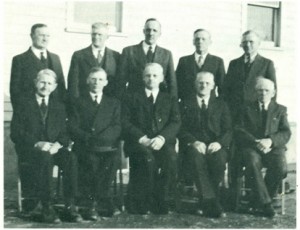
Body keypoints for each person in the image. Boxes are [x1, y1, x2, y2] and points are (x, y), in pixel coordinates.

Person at [10, 69, 82, 223]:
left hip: (53, 148)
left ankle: (70, 205)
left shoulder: (59, 106)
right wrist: (37, 143)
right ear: (36, 83)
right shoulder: (23, 104)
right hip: (31, 149)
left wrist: (58, 144)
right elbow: (16, 133)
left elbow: (64, 132)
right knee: (44, 158)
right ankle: (46, 206)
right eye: (42, 82)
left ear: (55, 86)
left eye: (49, 83)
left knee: (71, 158)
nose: (45, 86)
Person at [122, 63, 181, 214]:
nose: (151, 79)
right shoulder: (131, 97)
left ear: (161, 78)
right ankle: (142, 201)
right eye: (148, 75)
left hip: (162, 142)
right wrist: (141, 138)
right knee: (146, 158)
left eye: (155, 76)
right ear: (143, 77)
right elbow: (125, 121)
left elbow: (175, 122)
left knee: (171, 158)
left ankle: (162, 199)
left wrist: (161, 138)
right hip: (138, 142)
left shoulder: (169, 98)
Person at [68, 67, 121, 220]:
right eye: (93, 79)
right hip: (85, 146)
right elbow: (72, 126)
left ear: (105, 82)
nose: (96, 82)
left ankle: (94, 201)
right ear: (87, 81)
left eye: (100, 79)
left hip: (106, 146)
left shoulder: (113, 103)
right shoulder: (78, 102)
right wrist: (88, 138)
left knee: (112, 159)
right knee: (91, 160)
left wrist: (102, 139)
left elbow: (116, 126)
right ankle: (99, 202)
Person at [235, 78, 291, 217]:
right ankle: (266, 204)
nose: (263, 93)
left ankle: (257, 201)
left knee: (281, 168)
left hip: (273, 148)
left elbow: (285, 132)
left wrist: (270, 141)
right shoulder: (246, 108)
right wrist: (257, 142)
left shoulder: (280, 109)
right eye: (260, 90)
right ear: (256, 92)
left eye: (267, 90)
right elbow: (239, 129)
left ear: (273, 93)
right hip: (252, 147)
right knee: (252, 162)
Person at [178, 72, 232, 218]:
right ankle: (213, 203)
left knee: (220, 160)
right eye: (200, 83)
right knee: (196, 160)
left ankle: (204, 201)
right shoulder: (185, 103)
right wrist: (193, 142)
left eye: (207, 83)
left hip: (216, 146)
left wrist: (219, 143)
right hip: (193, 146)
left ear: (213, 86)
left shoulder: (221, 104)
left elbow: (228, 129)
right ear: (195, 84)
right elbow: (180, 128)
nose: (204, 86)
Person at [223, 30, 276, 122]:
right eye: (244, 42)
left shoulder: (267, 64)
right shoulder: (234, 64)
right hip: (235, 112)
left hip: (256, 112)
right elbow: (227, 89)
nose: (247, 45)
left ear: (258, 43)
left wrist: (270, 112)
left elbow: (273, 90)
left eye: (251, 42)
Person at [10, 23, 66, 110]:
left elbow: (61, 87)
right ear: (32, 36)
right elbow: (15, 91)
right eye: (41, 35)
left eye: (47, 36)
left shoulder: (55, 58)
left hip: (53, 113)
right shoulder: (20, 60)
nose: (45, 39)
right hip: (28, 113)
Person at [117, 18, 177, 99]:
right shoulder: (128, 51)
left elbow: (172, 83)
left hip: (158, 101)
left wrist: (173, 104)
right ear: (143, 31)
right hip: (134, 100)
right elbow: (120, 81)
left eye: (154, 30)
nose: (151, 33)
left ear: (160, 33)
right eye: (148, 30)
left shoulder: (166, 54)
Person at [67, 22, 120, 99]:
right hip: (84, 102)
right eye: (94, 34)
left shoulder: (116, 56)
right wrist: (76, 103)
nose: (96, 37)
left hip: (108, 103)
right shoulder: (79, 55)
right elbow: (73, 83)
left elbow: (118, 83)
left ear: (107, 37)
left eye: (99, 34)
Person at [176, 29, 225, 101]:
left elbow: (222, 88)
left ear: (210, 42)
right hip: (188, 104)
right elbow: (178, 85)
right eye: (197, 39)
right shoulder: (184, 61)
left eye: (203, 39)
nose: (200, 41)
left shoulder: (217, 61)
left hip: (210, 105)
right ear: (193, 42)